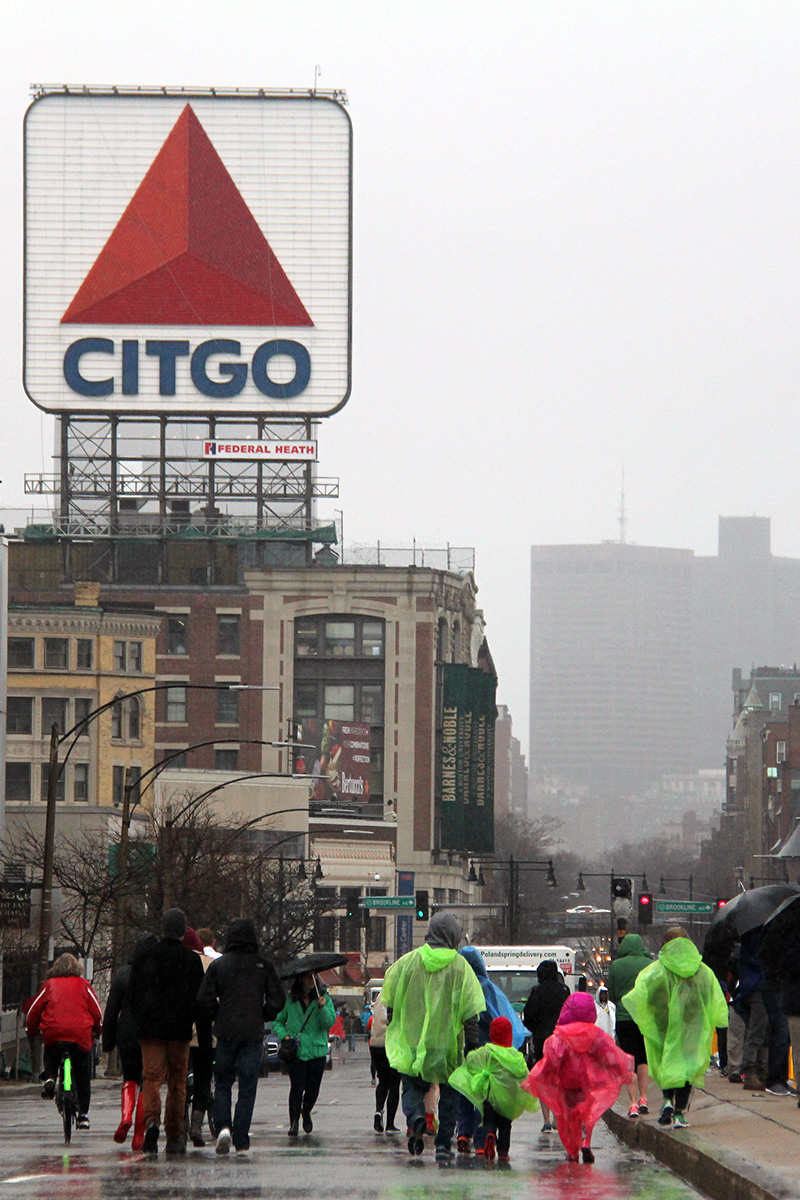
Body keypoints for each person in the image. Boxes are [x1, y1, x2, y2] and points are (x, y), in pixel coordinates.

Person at [380, 912, 485, 1163]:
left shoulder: (408, 962)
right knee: (449, 1094)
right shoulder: (460, 967)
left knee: (411, 1085)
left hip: (413, 1042)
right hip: (447, 1044)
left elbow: (391, 997)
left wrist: (397, 1023)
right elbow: (470, 1009)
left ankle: (416, 1117)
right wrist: (471, 1043)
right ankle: (443, 1144)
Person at [625, 926, 728, 1129]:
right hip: (693, 1027)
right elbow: (713, 997)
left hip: (663, 1025)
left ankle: (667, 1099)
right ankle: (680, 1112)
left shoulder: (657, 970)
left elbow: (642, 995)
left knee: (666, 1062)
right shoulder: (703, 970)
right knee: (688, 1067)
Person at [197, 917, 285, 1155]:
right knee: (247, 1086)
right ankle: (242, 1138)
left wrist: (218, 1014)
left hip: (225, 1031)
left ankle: (223, 1127)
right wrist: (263, 1014)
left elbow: (204, 998)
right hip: (252, 1032)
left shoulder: (220, 966)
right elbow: (278, 999)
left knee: (223, 1081)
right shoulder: (263, 966)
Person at [128, 907, 207, 1155]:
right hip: (179, 1030)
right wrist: (202, 1033)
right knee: (177, 1081)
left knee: (151, 1078)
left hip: (150, 1028)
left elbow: (133, 992)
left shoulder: (146, 956)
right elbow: (199, 1001)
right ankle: (174, 1133)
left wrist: (138, 1021)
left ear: (163, 929)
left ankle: (151, 1121)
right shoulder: (191, 960)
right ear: (183, 932)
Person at [522, 991, 633, 1163]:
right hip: (587, 1082)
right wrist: (619, 1069)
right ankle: (585, 1141)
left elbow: (553, 1059)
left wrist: (543, 1075)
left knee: (567, 1117)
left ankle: (572, 1151)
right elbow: (608, 1055)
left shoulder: (560, 1037)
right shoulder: (595, 1035)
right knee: (586, 1115)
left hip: (566, 1082)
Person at [456, 945, 529, 1155]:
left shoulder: (458, 987)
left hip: (462, 1046)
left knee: (465, 1089)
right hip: (486, 1048)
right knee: (484, 1094)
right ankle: (482, 1139)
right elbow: (497, 1014)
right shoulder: (486, 988)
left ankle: (463, 1133)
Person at [26, 952, 103, 1131]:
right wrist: (98, 1030)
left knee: (51, 1052)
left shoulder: (49, 985)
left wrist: (32, 1030)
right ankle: (83, 1115)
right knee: (83, 1075)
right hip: (80, 1034)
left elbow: (33, 1011)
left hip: (54, 1031)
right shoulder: (84, 985)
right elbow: (97, 1012)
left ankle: (50, 1077)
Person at [449, 1016, 537, 1163]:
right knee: (505, 1125)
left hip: (489, 1097)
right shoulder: (514, 1055)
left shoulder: (487, 1051)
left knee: (489, 1121)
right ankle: (503, 1152)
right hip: (508, 1099)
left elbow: (471, 1060)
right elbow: (523, 1072)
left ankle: (488, 1137)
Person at [103, 934, 156, 1148]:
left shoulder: (123, 974)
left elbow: (111, 1010)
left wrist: (108, 1041)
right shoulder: (157, 975)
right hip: (151, 1034)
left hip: (126, 1033)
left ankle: (126, 1116)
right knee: (147, 1082)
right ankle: (139, 1135)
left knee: (130, 1077)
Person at [273, 970, 335, 1137]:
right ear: (300, 979)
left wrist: (322, 1008)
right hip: (297, 1052)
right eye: (307, 977)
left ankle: (306, 1111)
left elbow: (328, 1023)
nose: (310, 981)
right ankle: (294, 1122)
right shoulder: (290, 1001)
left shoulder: (324, 999)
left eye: (312, 977)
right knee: (297, 1087)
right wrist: (285, 1036)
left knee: (313, 1088)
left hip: (316, 1051)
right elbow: (278, 1021)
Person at [607, 931, 652, 1118]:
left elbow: (612, 993)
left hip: (624, 1018)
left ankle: (632, 1103)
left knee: (629, 1060)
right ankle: (644, 1098)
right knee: (643, 1059)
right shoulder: (649, 964)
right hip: (644, 1018)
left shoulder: (616, 965)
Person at [522, 959, 570, 1133]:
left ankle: (546, 1120)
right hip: (561, 1039)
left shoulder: (537, 991)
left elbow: (529, 1015)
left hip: (542, 1040)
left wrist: (535, 1029)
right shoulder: (564, 991)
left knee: (544, 1079)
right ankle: (558, 1116)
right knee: (560, 1078)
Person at [182, 927, 215, 1146]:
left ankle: (180, 1123)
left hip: (182, 1032)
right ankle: (197, 1124)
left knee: (180, 1078)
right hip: (206, 1032)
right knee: (204, 1078)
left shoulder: (176, 965)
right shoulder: (211, 965)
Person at [367, 988, 401, 1134]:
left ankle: (378, 1110)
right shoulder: (399, 994)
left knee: (383, 1081)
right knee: (394, 1084)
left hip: (376, 1044)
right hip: (392, 1044)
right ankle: (390, 1124)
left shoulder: (380, 996)